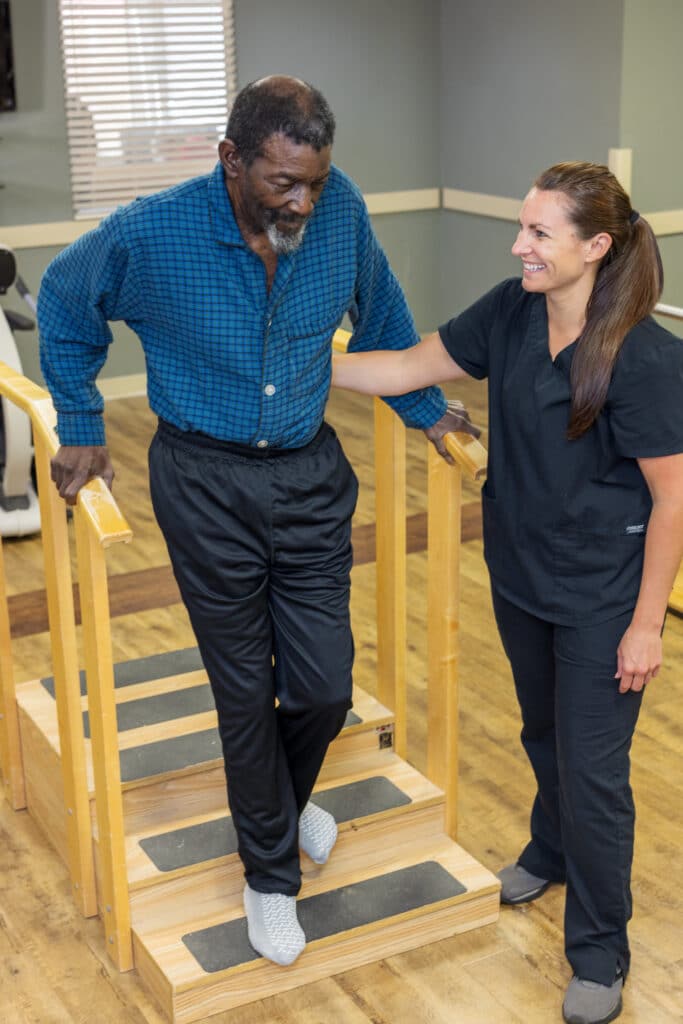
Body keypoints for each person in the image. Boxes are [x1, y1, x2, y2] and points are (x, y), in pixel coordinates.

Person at [37, 75, 477, 968]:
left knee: (321, 683)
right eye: (282, 182)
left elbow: (382, 313)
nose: (303, 201)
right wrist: (81, 421)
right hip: (204, 481)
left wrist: (427, 410)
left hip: (311, 475)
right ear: (232, 160)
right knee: (244, 689)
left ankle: (278, 799)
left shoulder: (338, 210)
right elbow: (62, 300)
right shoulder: (151, 232)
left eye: (314, 180)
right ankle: (269, 879)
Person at [332, 161, 683, 1024]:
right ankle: (549, 849)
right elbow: (412, 364)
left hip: (605, 593)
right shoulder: (512, 312)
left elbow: (675, 498)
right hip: (522, 573)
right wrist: (304, 364)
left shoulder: (642, 357)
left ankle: (599, 951)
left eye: (537, 233)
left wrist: (646, 627)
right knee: (540, 731)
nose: (517, 244)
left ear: (595, 247)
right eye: (521, 227)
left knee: (593, 772)